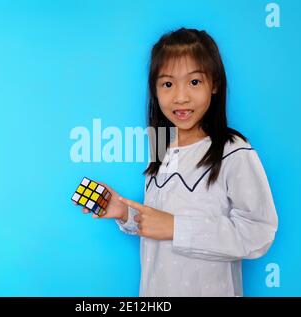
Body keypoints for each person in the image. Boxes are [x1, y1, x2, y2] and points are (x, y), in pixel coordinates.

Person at [80, 27, 278, 297]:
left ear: (215, 84)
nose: (180, 97)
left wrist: (177, 228)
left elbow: (258, 232)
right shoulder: (160, 145)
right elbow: (157, 221)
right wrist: (124, 213)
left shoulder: (233, 151)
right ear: (155, 89)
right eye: (168, 84)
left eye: (194, 82)